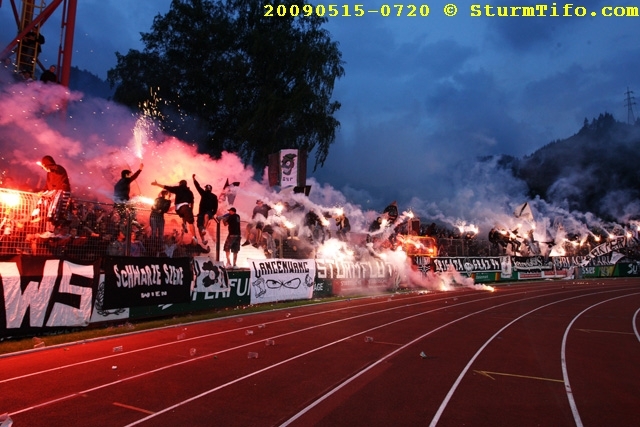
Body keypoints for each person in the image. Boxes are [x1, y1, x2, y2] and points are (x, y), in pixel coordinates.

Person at [152, 178, 205, 247]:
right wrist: (191, 210)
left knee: (184, 214)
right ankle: (194, 237)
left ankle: (184, 223)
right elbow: (192, 202)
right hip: (185, 207)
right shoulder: (189, 192)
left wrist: (157, 184)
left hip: (178, 209)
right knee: (191, 222)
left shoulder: (178, 188)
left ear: (180, 184)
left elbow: (167, 187)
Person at [37, 155, 71, 227]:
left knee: (59, 208)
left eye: (44, 167)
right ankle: (49, 220)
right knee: (46, 202)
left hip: (62, 191)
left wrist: (48, 168)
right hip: (54, 193)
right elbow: (47, 185)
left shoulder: (59, 168)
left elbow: (56, 170)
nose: (44, 169)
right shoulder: (49, 174)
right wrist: (43, 191)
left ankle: (57, 223)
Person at [192, 174, 218, 245]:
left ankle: (204, 229)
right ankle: (203, 240)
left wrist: (212, 214)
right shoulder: (203, 193)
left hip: (208, 212)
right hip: (201, 213)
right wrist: (194, 179)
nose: (207, 189)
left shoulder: (214, 196)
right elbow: (198, 187)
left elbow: (215, 207)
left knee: (206, 216)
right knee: (199, 225)